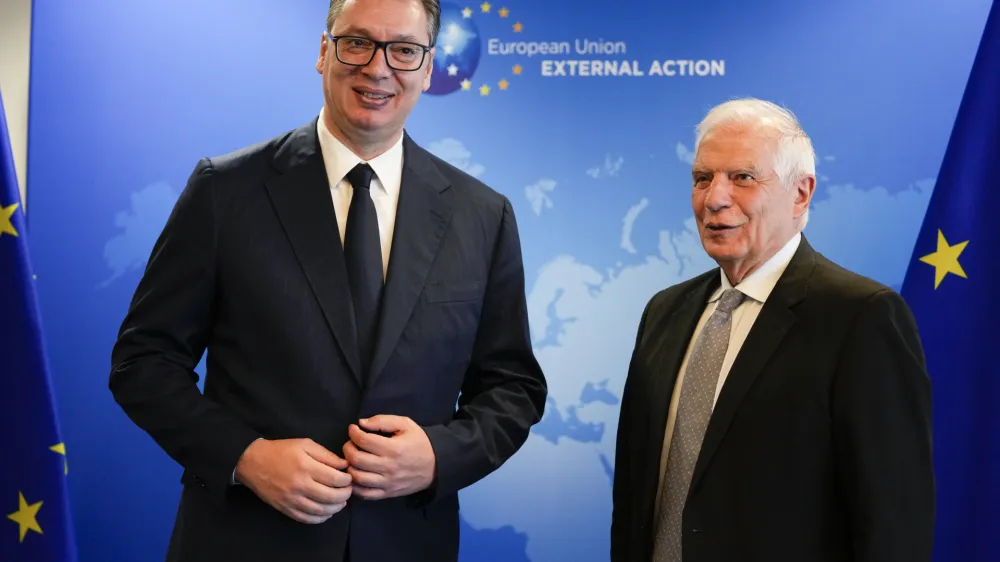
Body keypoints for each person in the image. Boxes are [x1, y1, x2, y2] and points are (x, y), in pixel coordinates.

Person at [108, 0, 547, 560]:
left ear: (428, 68)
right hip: (243, 541)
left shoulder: (482, 216)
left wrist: (440, 456)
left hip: (406, 543)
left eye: (403, 50)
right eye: (357, 42)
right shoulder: (225, 191)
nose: (378, 68)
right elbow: (143, 362)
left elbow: (513, 387)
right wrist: (245, 456)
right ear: (324, 51)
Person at [611, 98, 934, 562]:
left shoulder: (861, 317)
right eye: (702, 178)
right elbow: (634, 495)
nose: (714, 198)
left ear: (801, 193)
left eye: (743, 177)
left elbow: (893, 522)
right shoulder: (664, 312)